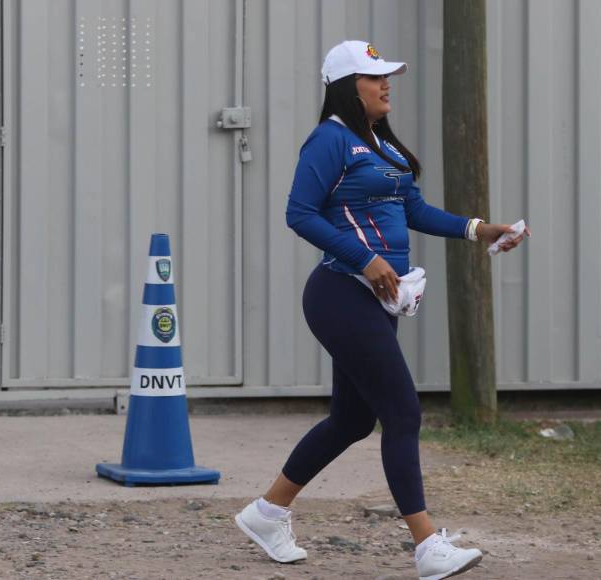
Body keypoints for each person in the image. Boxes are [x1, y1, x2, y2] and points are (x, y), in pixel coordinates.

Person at [234, 40, 527, 580]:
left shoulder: (382, 147)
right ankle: (425, 546)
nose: (387, 83)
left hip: (377, 299)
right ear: (349, 87)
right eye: (375, 77)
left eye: (388, 75)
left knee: (351, 420)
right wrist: (365, 259)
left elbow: (412, 209)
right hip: (340, 294)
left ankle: (267, 513)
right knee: (402, 412)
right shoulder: (329, 141)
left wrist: (480, 228)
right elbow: (299, 213)